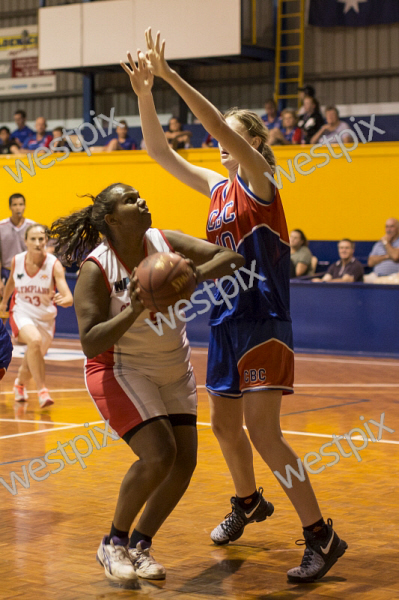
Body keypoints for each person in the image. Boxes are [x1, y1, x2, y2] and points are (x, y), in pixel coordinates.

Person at [120, 30, 347, 584]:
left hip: (264, 317)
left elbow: (218, 126)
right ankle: (248, 501)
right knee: (223, 426)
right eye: (225, 140)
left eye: (235, 138)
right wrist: (146, 93)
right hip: (224, 320)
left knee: (263, 432)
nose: (222, 144)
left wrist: (173, 76)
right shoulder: (218, 189)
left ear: (253, 146)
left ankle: (322, 535)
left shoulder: (263, 182)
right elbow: (157, 151)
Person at [49, 182, 244, 584]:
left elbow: (232, 259)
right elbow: (90, 342)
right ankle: (113, 543)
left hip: (174, 365)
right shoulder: (96, 268)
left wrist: (190, 278)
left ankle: (139, 545)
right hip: (120, 369)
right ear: (112, 219)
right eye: (130, 200)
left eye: (140, 195)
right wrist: (137, 307)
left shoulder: (164, 240)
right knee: (158, 455)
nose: (142, 201)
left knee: (184, 461)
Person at [0, 224, 73, 408]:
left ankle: (19, 384)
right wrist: (4, 302)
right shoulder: (17, 260)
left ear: (46, 241)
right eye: (33, 239)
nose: (38, 242)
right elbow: (11, 283)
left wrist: (64, 299)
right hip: (21, 312)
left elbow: (68, 296)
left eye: (41, 239)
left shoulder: (54, 264)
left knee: (32, 358)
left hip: (46, 318)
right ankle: (42, 391)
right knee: (34, 341)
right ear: (26, 242)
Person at [0, 194, 35, 297]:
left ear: (24, 206)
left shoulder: (32, 227)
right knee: (5, 309)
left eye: (21, 204)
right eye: (15, 204)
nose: (18, 207)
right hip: (6, 272)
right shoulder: (1, 227)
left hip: (27, 273)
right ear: (10, 207)